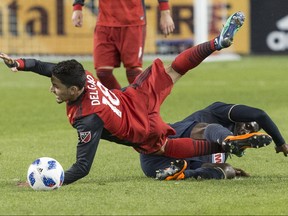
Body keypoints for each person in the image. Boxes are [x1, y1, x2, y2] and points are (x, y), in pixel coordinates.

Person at [1, 12, 268, 185]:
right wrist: (21, 63)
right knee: (175, 70)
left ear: (73, 91)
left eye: (56, 87)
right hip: (135, 98)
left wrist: (51, 181)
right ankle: (216, 43)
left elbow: (82, 167)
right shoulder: (81, 75)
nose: (52, 89)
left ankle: (224, 145)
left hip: (140, 127)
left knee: (166, 150)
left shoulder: (87, 119)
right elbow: (48, 68)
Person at [140, 101, 288, 180]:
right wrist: (281, 144)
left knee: (226, 170)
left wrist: (229, 171)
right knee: (208, 129)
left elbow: (203, 165)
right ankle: (228, 140)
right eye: (247, 125)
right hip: (160, 142)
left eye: (251, 131)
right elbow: (260, 114)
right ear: (239, 118)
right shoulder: (216, 112)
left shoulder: (223, 154)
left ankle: (180, 175)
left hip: (158, 167)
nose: (247, 131)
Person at [72, 0, 175, 90]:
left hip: (133, 22)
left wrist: (165, 11)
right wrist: (77, 7)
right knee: (103, 72)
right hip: (104, 22)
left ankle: (145, 106)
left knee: (133, 71)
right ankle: (120, 104)